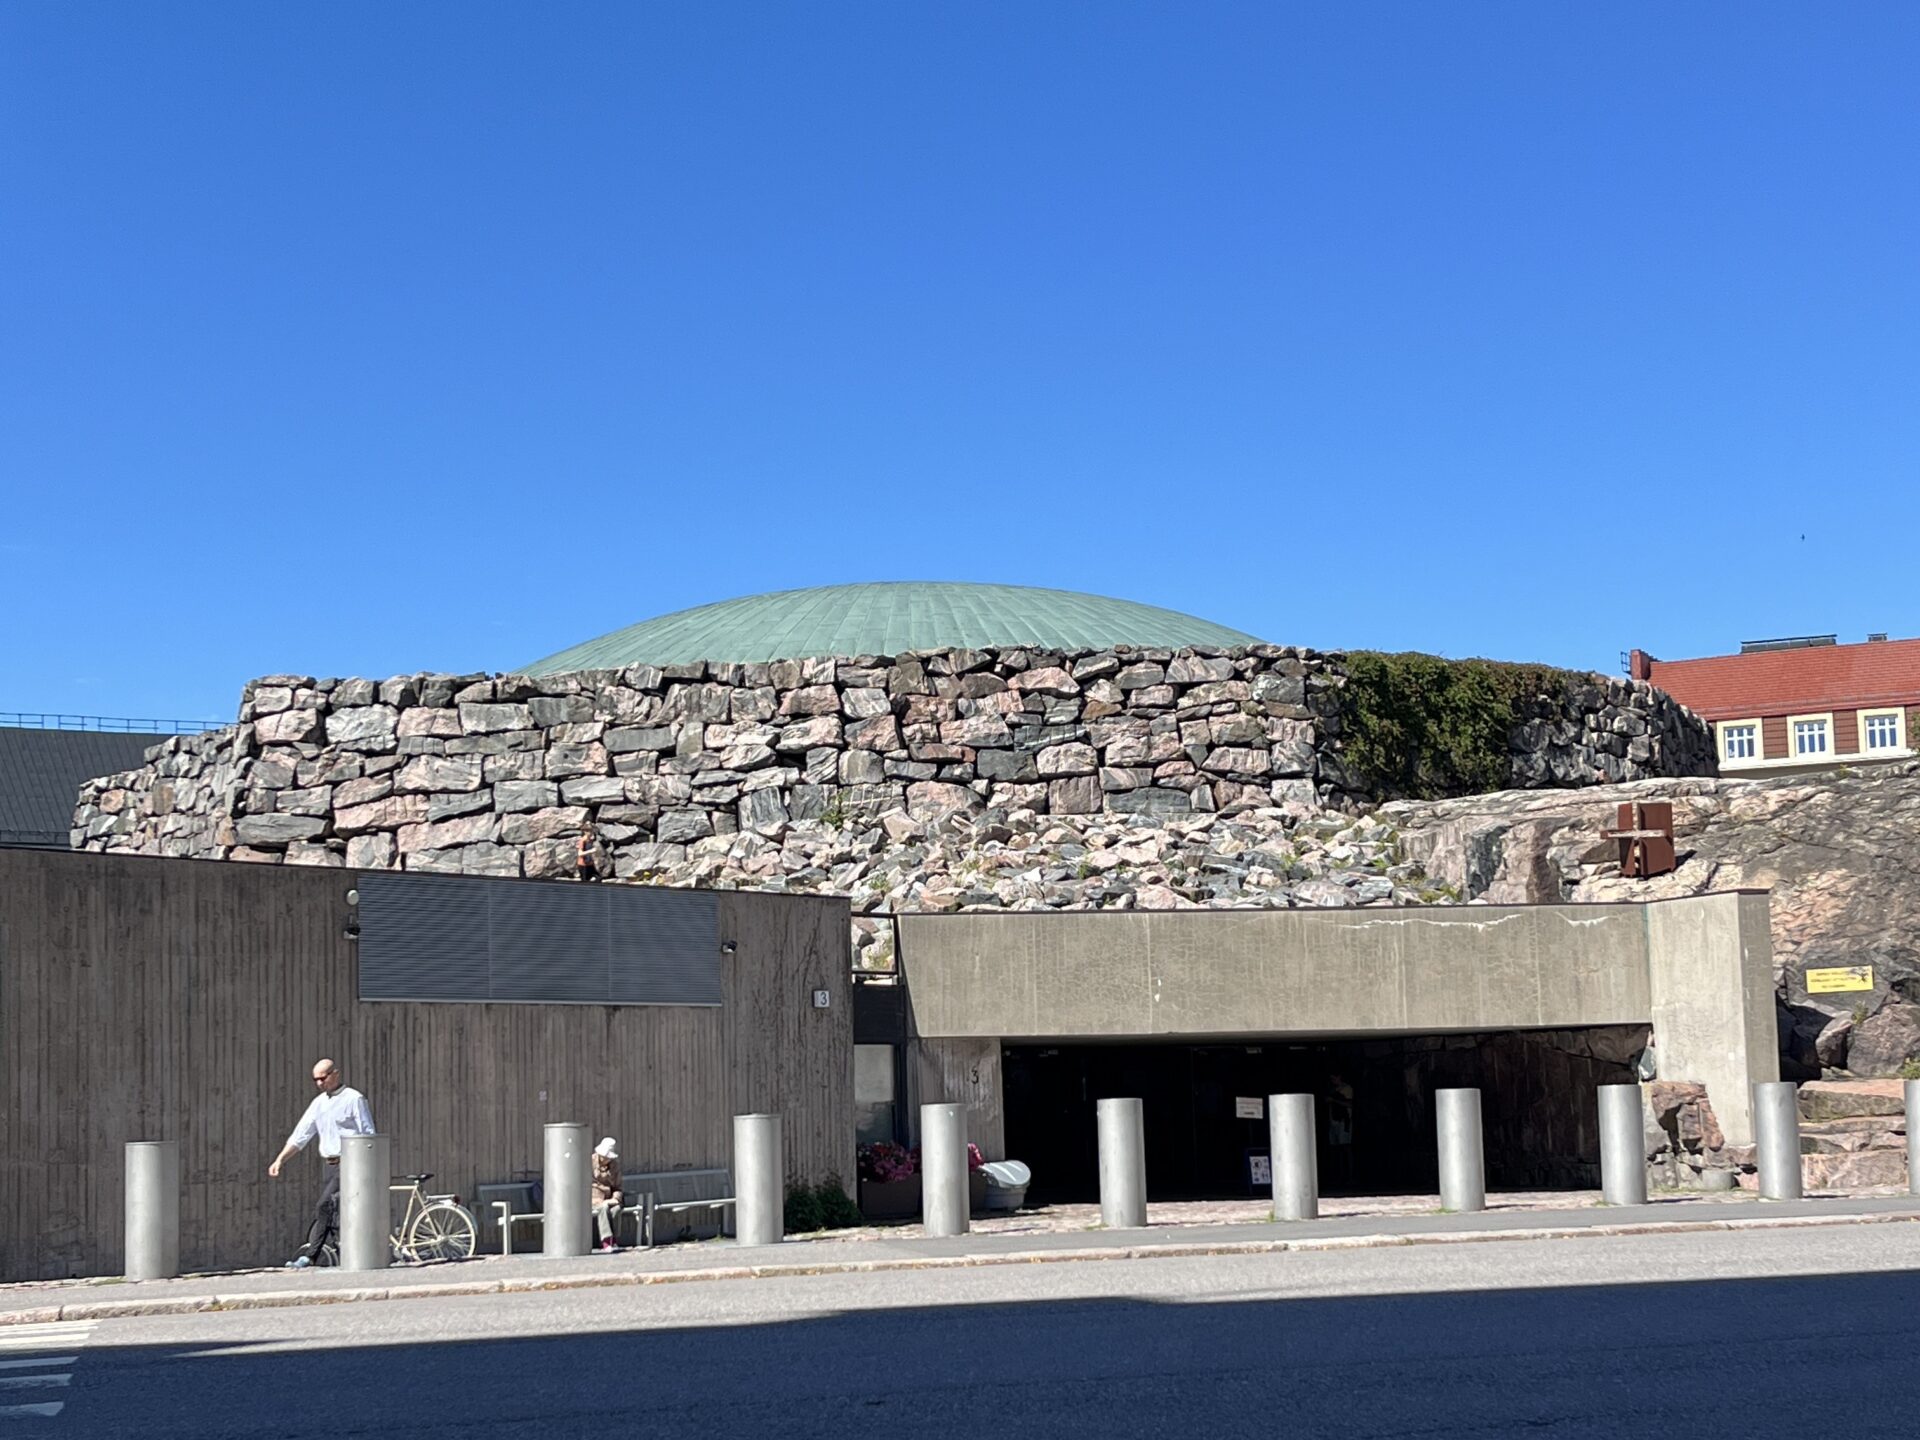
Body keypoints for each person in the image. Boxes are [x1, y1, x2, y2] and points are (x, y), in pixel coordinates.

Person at [268, 1057, 376, 1268]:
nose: (319, 1084)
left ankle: (310, 1256)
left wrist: (369, 1166)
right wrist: (280, 1159)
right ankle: (337, 1251)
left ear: (335, 1074)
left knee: (324, 1205)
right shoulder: (318, 1104)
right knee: (331, 1211)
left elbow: (368, 1133)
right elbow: (301, 1135)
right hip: (329, 1164)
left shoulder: (354, 1099)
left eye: (323, 1078)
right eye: (315, 1080)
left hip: (350, 1163)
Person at [592, 1137, 623, 1251]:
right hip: (593, 1198)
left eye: (608, 1158)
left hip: (608, 1197)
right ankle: (606, 1241)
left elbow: (618, 1186)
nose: (606, 1160)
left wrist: (616, 1198)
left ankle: (613, 1240)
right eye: (605, 1157)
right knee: (603, 1207)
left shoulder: (615, 1166)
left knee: (616, 1209)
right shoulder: (590, 1162)